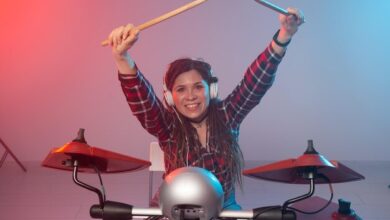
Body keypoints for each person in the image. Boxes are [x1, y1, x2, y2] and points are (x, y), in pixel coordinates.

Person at [107, 8, 304, 210]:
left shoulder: (228, 115)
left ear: (212, 90)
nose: (191, 96)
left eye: (198, 87)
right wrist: (122, 58)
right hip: (174, 204)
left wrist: (284, 35)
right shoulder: (167, 125)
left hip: (221, 204)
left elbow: (254, 83)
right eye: (181, 89)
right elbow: (143, 101)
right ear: (170, 96)